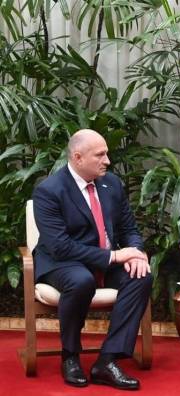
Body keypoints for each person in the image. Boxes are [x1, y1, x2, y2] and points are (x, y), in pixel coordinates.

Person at [32, 129, 153, 390]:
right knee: (81, 280)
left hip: (105, 261)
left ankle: (107, 361)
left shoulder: (111, 184)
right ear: (77, 157)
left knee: (141, 276)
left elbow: (129, 228)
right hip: (62, 262)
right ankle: (70, 356)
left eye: (106, 153)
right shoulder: (49, 191)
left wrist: (136, 253)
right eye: (100, 155)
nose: (107, 160)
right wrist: (115, 255)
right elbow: (60, 247)